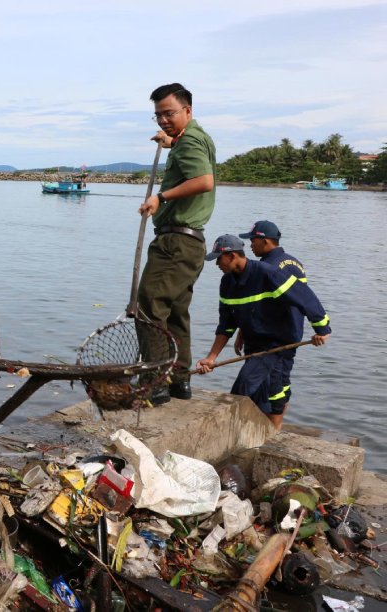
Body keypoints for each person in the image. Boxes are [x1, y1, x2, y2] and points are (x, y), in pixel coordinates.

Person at [195, 235, 330, 429]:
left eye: (219, 258)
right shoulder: (227, 284)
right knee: (267, 391)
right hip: (254, 342)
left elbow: (305, 297)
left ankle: (246, 433)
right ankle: (265, 432)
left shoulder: (268, 273)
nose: (216, 263)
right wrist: (212, 357)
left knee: (245, 387)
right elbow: (226, 324)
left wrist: (322, 328)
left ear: (232, 256)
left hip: (277, 343)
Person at [137, 83, 217, 404]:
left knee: (148, 305)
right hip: (190, 244)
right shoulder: (190, 139)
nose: (163, 120)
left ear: (188, 110)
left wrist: (160, 196)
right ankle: (178, 381)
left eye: (169, 113)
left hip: (176, 241)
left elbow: (203, 180)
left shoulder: (191, 142)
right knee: (175, 312)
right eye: (158, 116)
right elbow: (187, 154)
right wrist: (170, 142)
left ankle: (154, 382)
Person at [233, 220, 307, 427]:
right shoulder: (293, 262)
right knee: (280, 380)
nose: (250, 246)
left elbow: (262, 305)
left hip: (274, 336)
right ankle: (274, 426)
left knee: (273, 384)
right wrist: (243, 331)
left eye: (253, 241)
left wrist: (246, 330)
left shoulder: (268, 268)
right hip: (290, 331)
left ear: (265, 241)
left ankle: (273, 430)